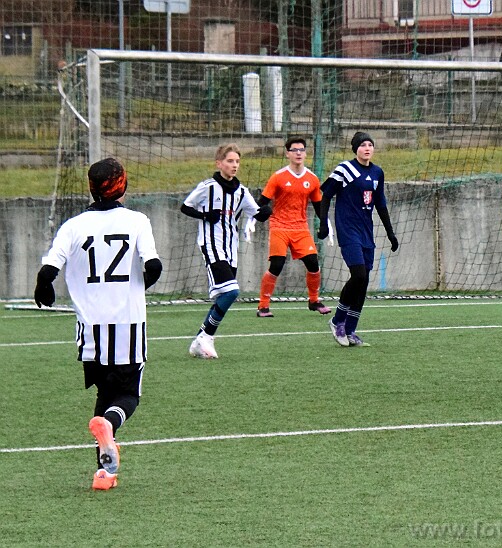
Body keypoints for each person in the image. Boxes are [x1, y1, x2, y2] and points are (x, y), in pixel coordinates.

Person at [34, 158, 163, 490]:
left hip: (91, 331)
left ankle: (104, 473)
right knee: (128, 396)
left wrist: (43, 287)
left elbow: (48, 270)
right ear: (122, 185)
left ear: (92, 188)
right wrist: (138, 287)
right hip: (128, 326)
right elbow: (154, 266)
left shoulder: (73, 226)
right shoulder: (137, 221)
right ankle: (109, 425)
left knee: (105, 393)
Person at [181, 143, 271, 359]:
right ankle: (207, 336)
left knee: (224, 295)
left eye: (237, 161)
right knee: (231, 291)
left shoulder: (241, 192)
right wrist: (205, 216)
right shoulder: (208, 187)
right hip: (211, 246)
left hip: (231, 249)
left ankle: (199, 339)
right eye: (230, 161)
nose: (234, 165)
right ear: (219, 163)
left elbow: (257, 213)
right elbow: (185, 207)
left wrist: (267, 211)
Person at [317, 131, 399, 347]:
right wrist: (323, 223)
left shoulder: (377, 172)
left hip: (366, 232)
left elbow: (380, 204)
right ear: (355, 149)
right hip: (348, 229)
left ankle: (350, 330)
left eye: (370, 144)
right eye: (363, 145)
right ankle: (337, 321)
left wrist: (390, 232)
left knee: (363, 282)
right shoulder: (345, 169)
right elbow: (326, 195)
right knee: (358, 274)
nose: (367, 148)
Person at [254, 136, 330, 318]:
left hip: (300, 228)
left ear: (305, 153)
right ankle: (263, 306)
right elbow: (261, 202)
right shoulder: (278, 177)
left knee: (313, 263)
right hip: (279, 226)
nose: (298, 153)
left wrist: (325, 225)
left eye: (301, 150)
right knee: (277, 265)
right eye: (294, 150)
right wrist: (257, 215)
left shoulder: (312, 179)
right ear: (287, 153)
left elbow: (318, 205)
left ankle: (314, 300)